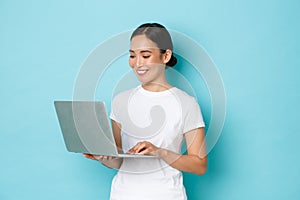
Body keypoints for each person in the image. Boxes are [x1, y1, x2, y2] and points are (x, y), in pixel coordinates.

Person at [83, 22, 207, 200]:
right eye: (132, 56)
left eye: (146, 55)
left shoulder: (186, 104)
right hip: (123, 194)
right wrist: (104, 157)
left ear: (165, 56)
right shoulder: (120, 101)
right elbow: (119, 161)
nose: (137, 63)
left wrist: (160, 152)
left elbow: (199, 165)